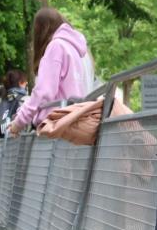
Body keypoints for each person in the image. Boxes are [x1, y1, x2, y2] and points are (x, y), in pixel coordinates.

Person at [9, 7, 95, 136]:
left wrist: (18, 123)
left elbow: (43, 92)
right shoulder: (75, 50)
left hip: (57, 125)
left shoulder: (56, 46)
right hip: (74, 121)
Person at [0, 69, 29, 138]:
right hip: (21, 142)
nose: (27, 83)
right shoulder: (26, 99)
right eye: (25, 82)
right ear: (20, 83)